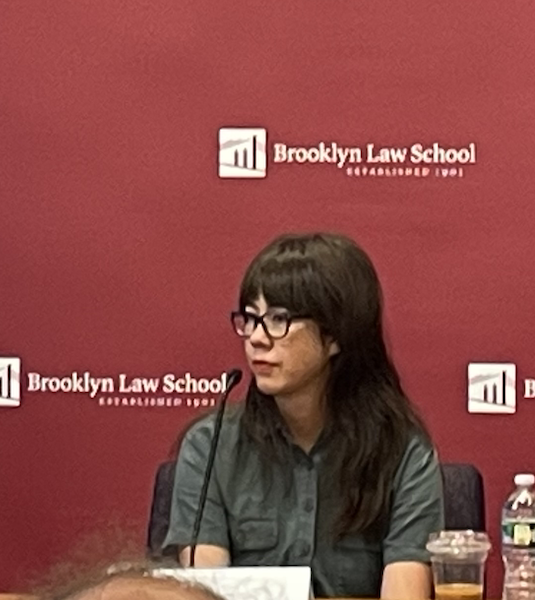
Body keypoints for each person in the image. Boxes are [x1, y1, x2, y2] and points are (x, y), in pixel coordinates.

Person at [164, 232, 443, 600]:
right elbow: (204, 594)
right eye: (250, 318)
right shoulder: (210, 446)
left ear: (335, 337)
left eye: (278, 318)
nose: (256, 338)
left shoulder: (402, 452)